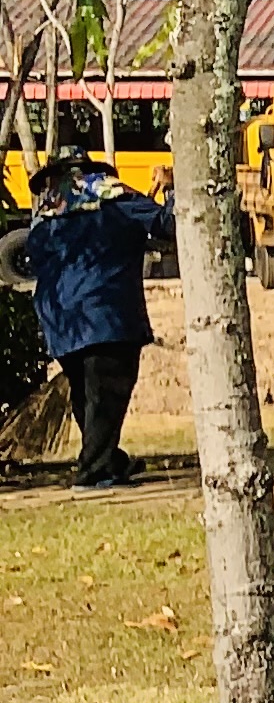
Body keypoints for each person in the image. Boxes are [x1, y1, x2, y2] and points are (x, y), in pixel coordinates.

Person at [14, 136, 177, 489]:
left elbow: (35, 260)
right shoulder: (112, 196)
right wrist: (172, 188)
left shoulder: (46, 213)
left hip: (61, 323)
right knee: (105, 394)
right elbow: (168, 225)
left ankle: (110, 460)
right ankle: (94, 471)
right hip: (107, 315)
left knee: (88, 395)